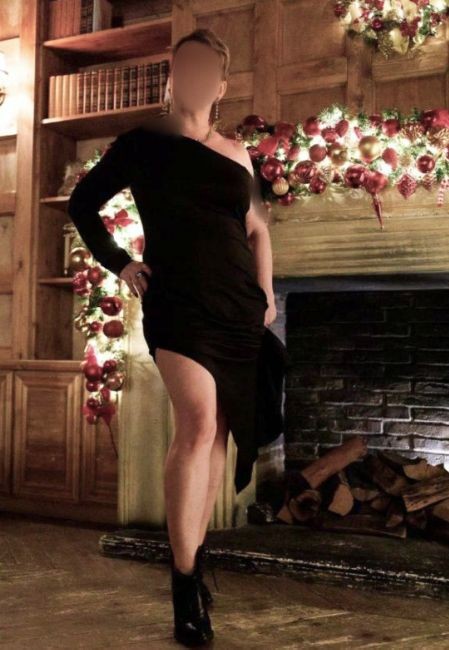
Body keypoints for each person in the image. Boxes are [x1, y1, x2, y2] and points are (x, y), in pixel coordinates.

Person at [67, 27, 286, 648]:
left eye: (205, 70)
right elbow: (83, 204)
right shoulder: (142, 144)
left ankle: (194, 557)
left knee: (216, 434)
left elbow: (258, 231)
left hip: (237, 306)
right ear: (173, 76)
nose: (193, 78)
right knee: (197, 423)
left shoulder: (237, 153)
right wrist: (122, 263)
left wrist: (266, 294)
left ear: (220, 86)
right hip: (179, 305)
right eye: (183, 66)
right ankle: (184, 586)